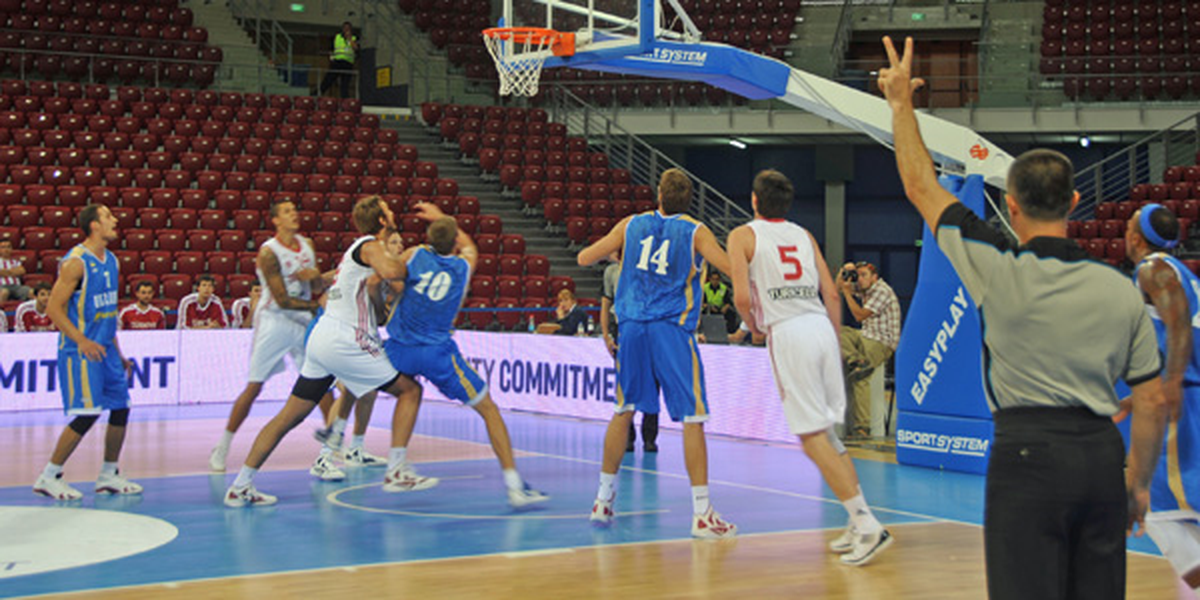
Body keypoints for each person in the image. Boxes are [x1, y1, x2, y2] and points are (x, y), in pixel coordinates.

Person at [880, 36, 1168, 599]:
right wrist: (1136, 480)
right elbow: (1153, 401)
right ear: (1076, 202)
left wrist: (899, 105)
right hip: (1101, 458)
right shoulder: (1123, 290)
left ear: (1010, 206)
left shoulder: (994, 267)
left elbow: (920, 185)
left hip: (1026, 457)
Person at [728, 169, 893, 566]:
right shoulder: (804, 235)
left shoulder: (742, 236)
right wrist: (832, 338)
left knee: (809, 435)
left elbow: (741, 298)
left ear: (754, 200)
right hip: (820, 325)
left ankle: (866, 522)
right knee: (828, 435)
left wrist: (752, 328)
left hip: (789, 331)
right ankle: (857, 521)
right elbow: (832, 293)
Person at [223, 196, 423, 507]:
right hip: (344, 337)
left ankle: (241, 484)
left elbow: (377, 309)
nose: (393, 211)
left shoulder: (359, 250)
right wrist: (415, 258)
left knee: (290, 416)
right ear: (382, 221)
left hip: (324, 336)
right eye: (388, 209)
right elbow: (394, 271)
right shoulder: (371, 245)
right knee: (410, 391)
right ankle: (395, 470)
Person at [578, 168, 737, 538]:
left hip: (631, 327)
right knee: (692, 416)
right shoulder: (696, 231)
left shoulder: (631, 224)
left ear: (658, 196)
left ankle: (603, 499)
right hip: (670, 328)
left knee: (623, 409)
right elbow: (729, 267)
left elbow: (586, 257)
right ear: (689, 199)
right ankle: (701, 514)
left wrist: (619, 253)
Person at [382, 202, 549, 507]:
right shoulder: (463, 265)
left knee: (390, 389)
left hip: (399, 348)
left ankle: (387, 463)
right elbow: (469, 245)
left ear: (429, 239)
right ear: (453, 242)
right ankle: (514, 485)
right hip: (437, 352)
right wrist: (443, 218)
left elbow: (393, 273)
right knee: (489, 409)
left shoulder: (414, 254)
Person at [32, 204, 141, 500]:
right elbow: (53, 308)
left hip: (105, 349)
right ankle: (49, 475)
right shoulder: (75, 263)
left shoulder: (113, 260)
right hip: (80, 351)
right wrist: (81, 340)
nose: (115, 219)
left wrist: (118, 352)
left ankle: (109, 474)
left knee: (121, 407)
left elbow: (106, 311)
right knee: (88, 414)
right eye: (108, 216)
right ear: (94, 225)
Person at [210, 200, 327, 475]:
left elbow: (317, 285)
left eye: (294, 209)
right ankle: (222, 447)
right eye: (287, 211)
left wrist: (316, 278)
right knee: (254, 387)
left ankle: (330, 451)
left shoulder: (307, 244)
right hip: (274, 320)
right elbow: (284, 301)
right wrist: (317, 306)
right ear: (275, 220)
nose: (294, 213)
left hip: (302, 320)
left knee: (320, 381)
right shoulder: (268, 252)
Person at [1122, 204, 1200, 593]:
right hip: (1186, 391)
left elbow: (1179, 325)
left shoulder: (1153, 268)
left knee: (1155, 510)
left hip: (1185, 399)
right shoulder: (1178, 270)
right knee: (1170, 511)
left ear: (1135, 236)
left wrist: (1169, 385)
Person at [599, 252, 659, 453]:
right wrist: (606, 334)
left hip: (648, 328)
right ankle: (627, 436)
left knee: (652, 383)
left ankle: (650, 437)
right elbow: (606, 303)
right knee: (626, 384)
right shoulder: (611, 272)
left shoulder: (649, 269)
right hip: (622, 328)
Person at [838, 260, 900, 439]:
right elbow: (837, 288)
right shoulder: (866, 288)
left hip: (882, 342)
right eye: (859, 275)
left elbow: (859, 315)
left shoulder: (881, 291)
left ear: (875, 277)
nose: (860, 279)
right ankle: (857, 360)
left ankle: (862, 427)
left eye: (864, 275)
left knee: (860, 377)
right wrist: (843, 273)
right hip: (866, 335)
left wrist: (848, 294)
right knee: (836, 330)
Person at [317, 21, 358, 99]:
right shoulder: (337, 37)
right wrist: (331, 59)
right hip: (337, 62)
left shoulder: (354, 38)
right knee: (328, 79)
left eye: (348, 28)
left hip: (348, 63)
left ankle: (345, 99)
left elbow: (356, 48)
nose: (346, 30)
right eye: (345, 28)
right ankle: (317, 93)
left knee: (345, 84)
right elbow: (331, 49)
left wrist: (349, 39)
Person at [0, 238, 30, 302]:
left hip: (17, 286)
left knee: (31, 292)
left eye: (8, 247)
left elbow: (22, 271)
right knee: (4, 293)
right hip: (2, 286)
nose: (6, 249)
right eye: (3, 247)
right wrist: (13, 272)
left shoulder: (16, 262)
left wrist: (5, 272)